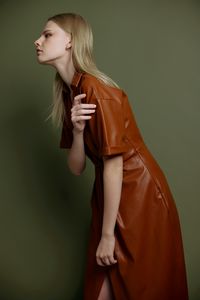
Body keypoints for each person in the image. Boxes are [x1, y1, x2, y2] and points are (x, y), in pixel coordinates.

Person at [34, 13, 189, 300]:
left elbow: (114, 166)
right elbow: (77, 168)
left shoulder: (96, 90)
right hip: (110, 196)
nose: (38, 41)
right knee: (101, 289)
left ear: (70, 41)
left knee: (142, 288)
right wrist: (78, 131)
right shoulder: (70, 93)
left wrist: (107, 236)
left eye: (47, 35)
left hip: (140, 199)